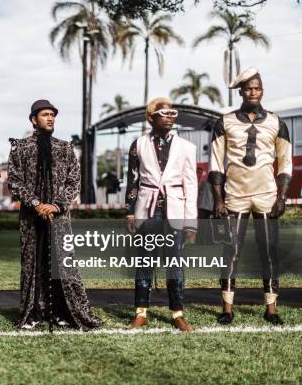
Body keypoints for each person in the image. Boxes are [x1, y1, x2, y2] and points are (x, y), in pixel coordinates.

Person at [8, 99, 102, 330]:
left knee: (64, 264)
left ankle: (66, 312)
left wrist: (56, 205)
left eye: (52, 115)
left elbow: (74, 181)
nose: (50, 118)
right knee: (32, 264)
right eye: (45, 115)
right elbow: (14, 181)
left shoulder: (65, 148)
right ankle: (34, 312)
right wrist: (36, 203)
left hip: (60, 217)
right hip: (31, 218)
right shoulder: (20, 148)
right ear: (33, 120)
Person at [209, 67, 292, 325]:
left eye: (257, 88)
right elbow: (215, 165)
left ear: (262, 90)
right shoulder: (224, 122)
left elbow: (285, 163)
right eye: (248, 88)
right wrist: (218, 200)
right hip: (235, 195)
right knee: (231, 252)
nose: (253, 92)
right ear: (241, 92)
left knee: (268, 251)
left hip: (267, 195)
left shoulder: (277, 123)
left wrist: (282, 197)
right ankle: (227, 309)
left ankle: (271, 308)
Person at [125, 97, 197, 332]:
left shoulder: (187, 147)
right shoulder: (138, 144)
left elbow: (191, 185)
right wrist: (130, 212)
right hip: (148, 208)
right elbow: (133, 180)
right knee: (145, 259)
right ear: (151, 117)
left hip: (176, 208)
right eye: (164, 113)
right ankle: (141, 313)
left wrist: (191, 222)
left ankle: (177, 314)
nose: (170, 117)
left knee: (175, 261)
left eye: (173, 113)